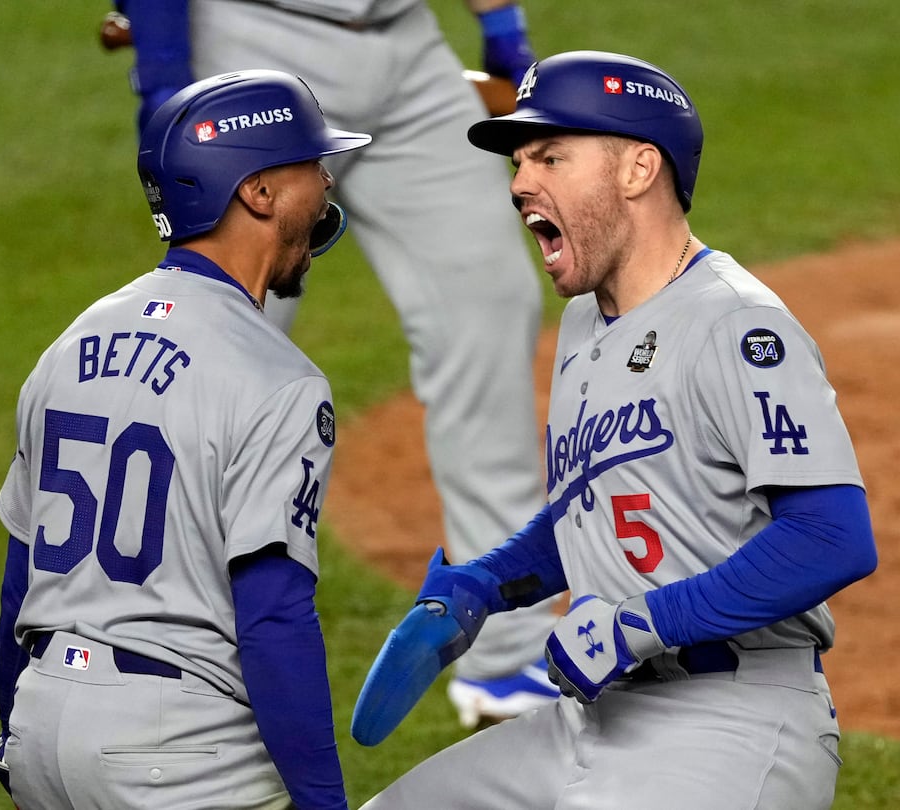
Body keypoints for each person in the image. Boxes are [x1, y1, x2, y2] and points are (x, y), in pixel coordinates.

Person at [354, 50, 879, 809]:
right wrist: (484, 588)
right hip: (592, 717)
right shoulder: (583, 324)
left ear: (638, 169)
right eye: (520, 162)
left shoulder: (735, 324)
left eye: (551, 157)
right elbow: (598, 503)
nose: (520, 184)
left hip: (731, 722)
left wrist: (638, 627)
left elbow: (833, 536)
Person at [102, 0, 562, 728]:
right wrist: (163, 77)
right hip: (255, 45)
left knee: (489, 301)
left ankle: (504, 651)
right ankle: (150, 644)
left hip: (409, 50)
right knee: (218, 338)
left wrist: (504, 26)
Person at [0, 69, 371, 810]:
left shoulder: (69, 343)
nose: (326, 184)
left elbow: (19, 584)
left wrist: (23, 734)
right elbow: (273, 617)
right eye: (309, 166)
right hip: (176, 754)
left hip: (41, 721)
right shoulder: (279, 380)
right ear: (256, 193)